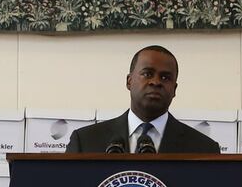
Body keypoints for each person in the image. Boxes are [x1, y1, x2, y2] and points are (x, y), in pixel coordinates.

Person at [64, 45, 220, 154]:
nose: (156, 82)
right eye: (147, 73)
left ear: (174, 89)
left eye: (165, 77)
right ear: (129, 81)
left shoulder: (204, 148)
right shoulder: (85, 142)